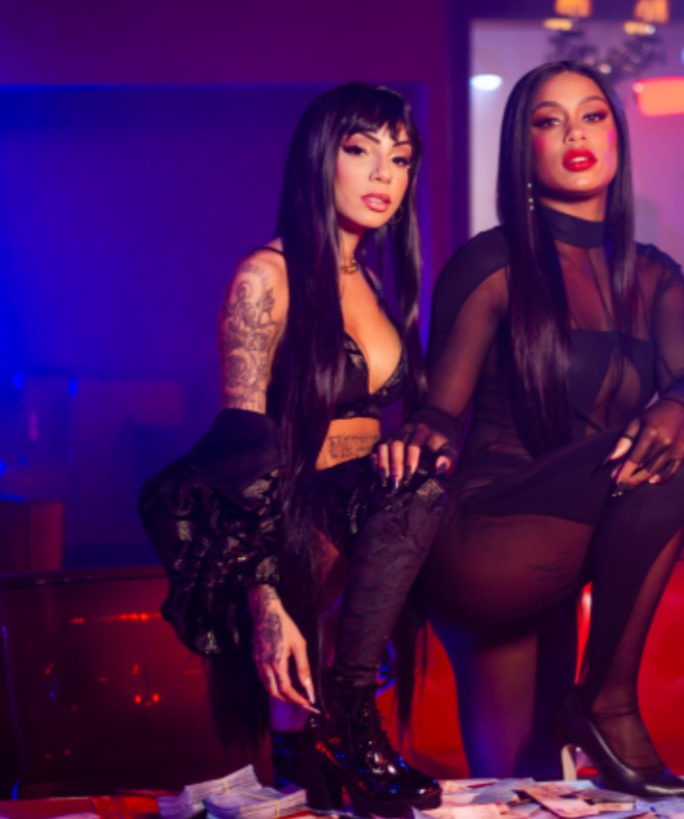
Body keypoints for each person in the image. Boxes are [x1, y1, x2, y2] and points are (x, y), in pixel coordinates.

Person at [374, 60, 684, 797]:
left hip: (569, 534)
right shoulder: (491, 264)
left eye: (592, 116)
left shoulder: (656, 278)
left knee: (524, 794)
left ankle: (597, 704)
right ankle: (609, 704)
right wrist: (420, 436)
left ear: (617, 136)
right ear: (522, 149)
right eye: (549, 121)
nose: (574, 135)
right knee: (669, 465)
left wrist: (677, 406)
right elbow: (439, 410)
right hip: (487, 537)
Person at [140, 83, 444, 817]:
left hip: (369, 521)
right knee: (303, 785)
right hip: (292, 525)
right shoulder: (264, 276)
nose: (384, 174)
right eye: (361, 151)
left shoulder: (376, 280)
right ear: (318, 158)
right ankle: (341, 723)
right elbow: (241, 451)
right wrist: (264, 598)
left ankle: (349, 720)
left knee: (439, 479)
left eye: (401, 158)